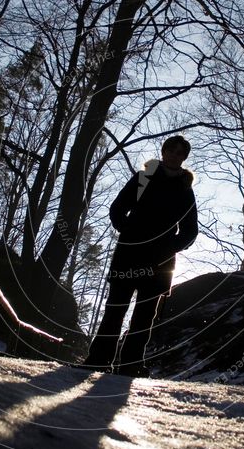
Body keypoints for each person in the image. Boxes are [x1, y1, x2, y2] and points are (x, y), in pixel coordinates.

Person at [84, 135, 198, 376]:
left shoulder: (186, 190)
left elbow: (190, 230)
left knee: (144, 318)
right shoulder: (143, 177)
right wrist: (128, 231)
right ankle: (98, 360)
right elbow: (117, 208)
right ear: (164, 151)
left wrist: (171, 246)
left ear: (184, 158)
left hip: (161, 263)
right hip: (129, 254)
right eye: (172, 150)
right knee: (115, 310)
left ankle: (130, 365)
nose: (175, 155)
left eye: (180, 153)